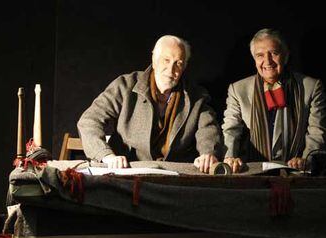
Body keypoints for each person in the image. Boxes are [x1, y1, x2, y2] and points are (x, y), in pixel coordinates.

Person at [77, 35, 222, 173]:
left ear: (184, 67)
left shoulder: (197, 96)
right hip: (128, 171)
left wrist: (208, 154)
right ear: (154, 60)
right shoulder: (124, 85)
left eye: (178, 63)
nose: (171, 70)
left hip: (173, 175)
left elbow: (208, 129)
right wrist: (107, 156)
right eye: (166, 60)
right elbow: (89, 121)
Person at [222, 28, 326, 173]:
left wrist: (306, 161)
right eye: (260, 55)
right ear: (254, 60)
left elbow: (317, 132)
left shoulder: (311, 87)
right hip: (251, 171)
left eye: (274, 53)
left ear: (285, 56)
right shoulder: (238, 89)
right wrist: (230, 158)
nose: (267, 61)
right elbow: (231, 130)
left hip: (295, 172)